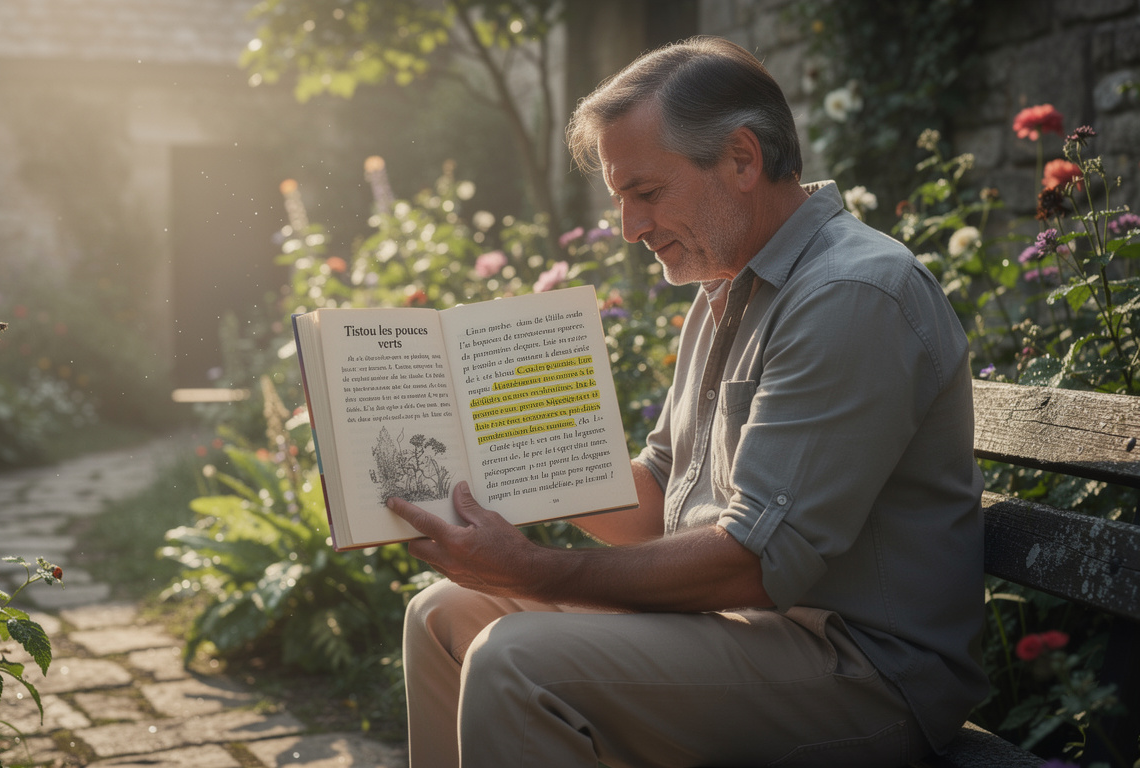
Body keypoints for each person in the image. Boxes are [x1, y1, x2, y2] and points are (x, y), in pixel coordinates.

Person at [387, 36, 988, 767]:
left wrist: (531, 569)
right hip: (745, 632)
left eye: (647, 193)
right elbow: (656, 502)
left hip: (867, 672)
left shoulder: (850, 293)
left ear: (741, 158)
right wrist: (496, 460)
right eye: (620, 202)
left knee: (516, 659)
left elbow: (751, 565)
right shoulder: (726, 290)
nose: (631, 229)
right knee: (443, 614)